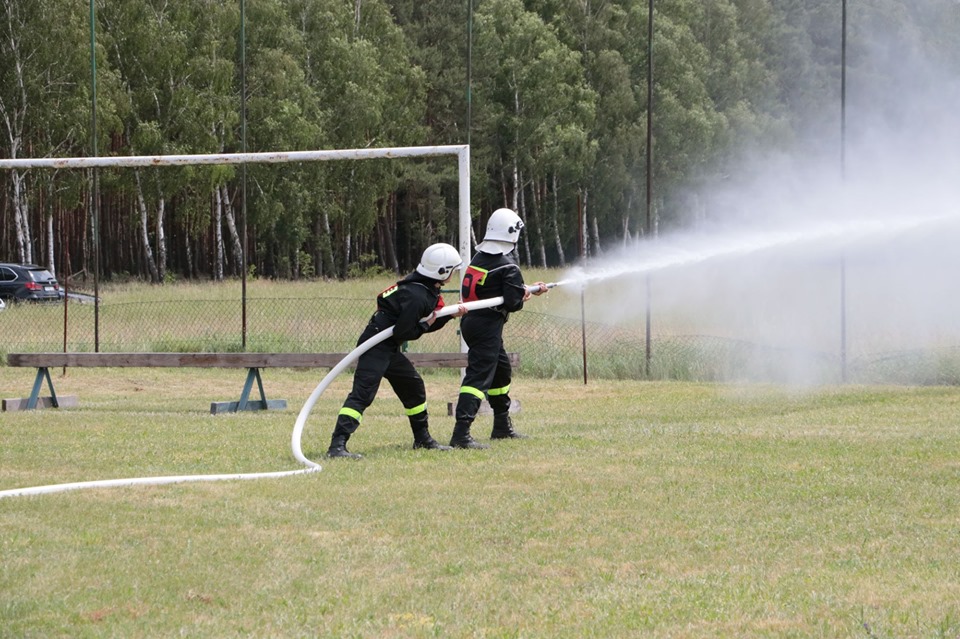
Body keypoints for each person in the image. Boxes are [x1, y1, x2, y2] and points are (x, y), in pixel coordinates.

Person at [327, 243, 468, 459]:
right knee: (363, 394)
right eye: (452, 269)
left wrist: (449, 315)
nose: (454, 274)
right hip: (375, 344)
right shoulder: (416, 294)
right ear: (443, 271)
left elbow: (423, 321)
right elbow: (406, 330)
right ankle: (337, 446)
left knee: (413, 386)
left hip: (388, 346)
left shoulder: (422, 287)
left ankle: (422, 439)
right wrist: (427, 325)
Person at [449, 208, 547, 449]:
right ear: (512, 234)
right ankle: (461, 434)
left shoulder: (479, 259)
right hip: (486, 327)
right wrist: (523, 294)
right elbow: (512, 302)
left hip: (473, 323)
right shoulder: (507, 266)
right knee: (478, 377)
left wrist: (524, 288)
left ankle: (501, 426)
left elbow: (496, 289)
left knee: (501, 372)